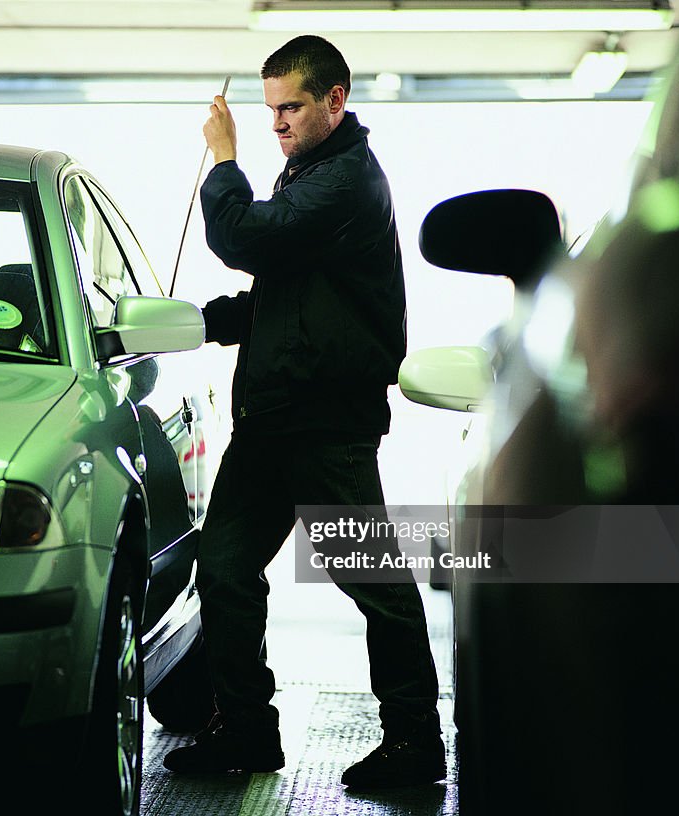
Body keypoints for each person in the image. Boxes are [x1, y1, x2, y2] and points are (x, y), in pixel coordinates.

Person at [162, 35, 444, 789]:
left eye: (291, 107)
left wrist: (224, 159)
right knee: (224, 571)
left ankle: (416, 741)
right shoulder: (309, 174)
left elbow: (245, 238)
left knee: (373, 584)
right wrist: (201, 322)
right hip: (270, 421)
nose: (277, 122)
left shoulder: (347, 179)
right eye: (270, 110)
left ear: (334, 101)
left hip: (325, 425)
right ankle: (247, 732)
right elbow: (287, 297)